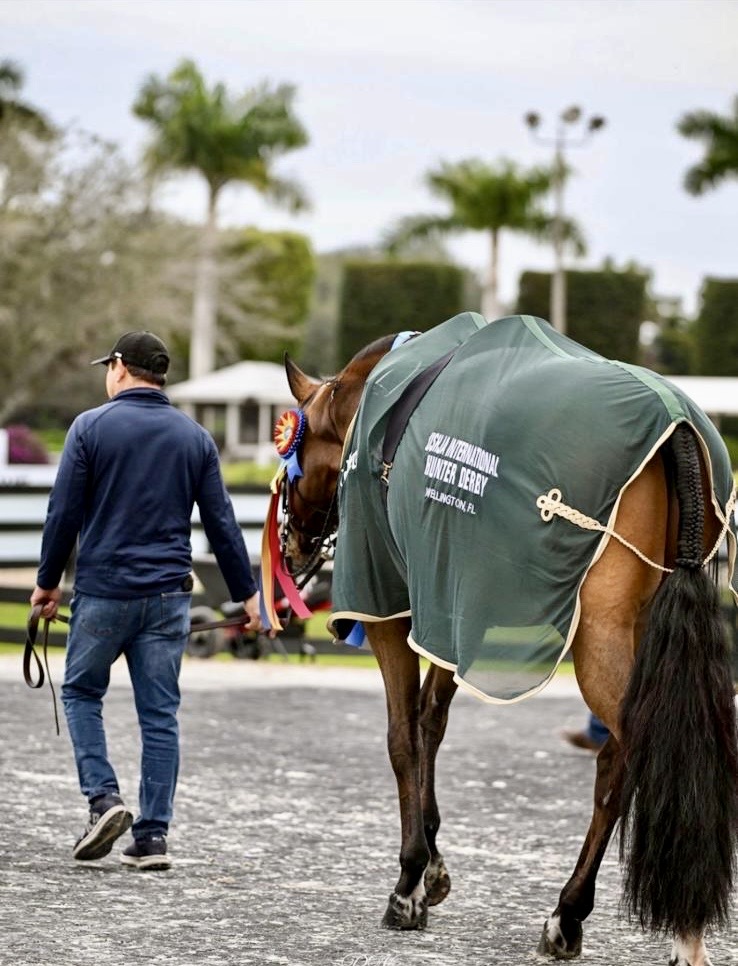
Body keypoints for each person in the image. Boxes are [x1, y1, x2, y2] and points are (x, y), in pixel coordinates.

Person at [30, 331, 261, 871]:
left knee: (81, 692)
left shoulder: (89, 428)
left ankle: (103, 799)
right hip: (167, 598)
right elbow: (222, 524)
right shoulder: (195, 438)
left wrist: (46, 583)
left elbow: (63, 513)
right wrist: (248, 597)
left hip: (105, 593)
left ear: (119, 367)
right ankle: (153, 838)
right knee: (159, 715)